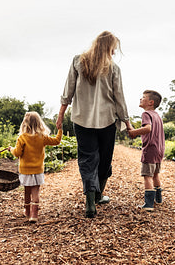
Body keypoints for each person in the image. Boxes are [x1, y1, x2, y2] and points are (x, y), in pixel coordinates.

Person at [56, 31, 133, 218]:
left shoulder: (78, 61)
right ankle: (97, 196)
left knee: (87, 159)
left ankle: (90, 204)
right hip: (107, 120)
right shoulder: (113, 69)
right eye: (113, 48)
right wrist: (127, 122)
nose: (114, 53)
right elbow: (119, 98)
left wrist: (61, 114)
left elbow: (68, 90)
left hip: (81, 120)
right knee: (105, 159)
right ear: (108, 47)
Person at [8, 111, 63, 223]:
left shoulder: (22, 138)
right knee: (35, 192)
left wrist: (11, 149)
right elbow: (57, 141)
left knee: (27, 191)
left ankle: (27, 212)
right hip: (38, 170)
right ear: (39, 123)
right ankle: (34, 215)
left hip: (25, 170)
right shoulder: (42, 137)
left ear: (25, 124)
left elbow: (17, 153)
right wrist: (60, 129)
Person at [128, 90, 165, 211]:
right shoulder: (157, 115)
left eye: (143, 97)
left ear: (150, 102)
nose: (140, 99)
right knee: (155, 174)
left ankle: (148, 204)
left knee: (147, 176)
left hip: (150, 149)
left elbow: (148, 128)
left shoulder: (146, 114)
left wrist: (134, 132)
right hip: (159, 149)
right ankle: (158, 199)